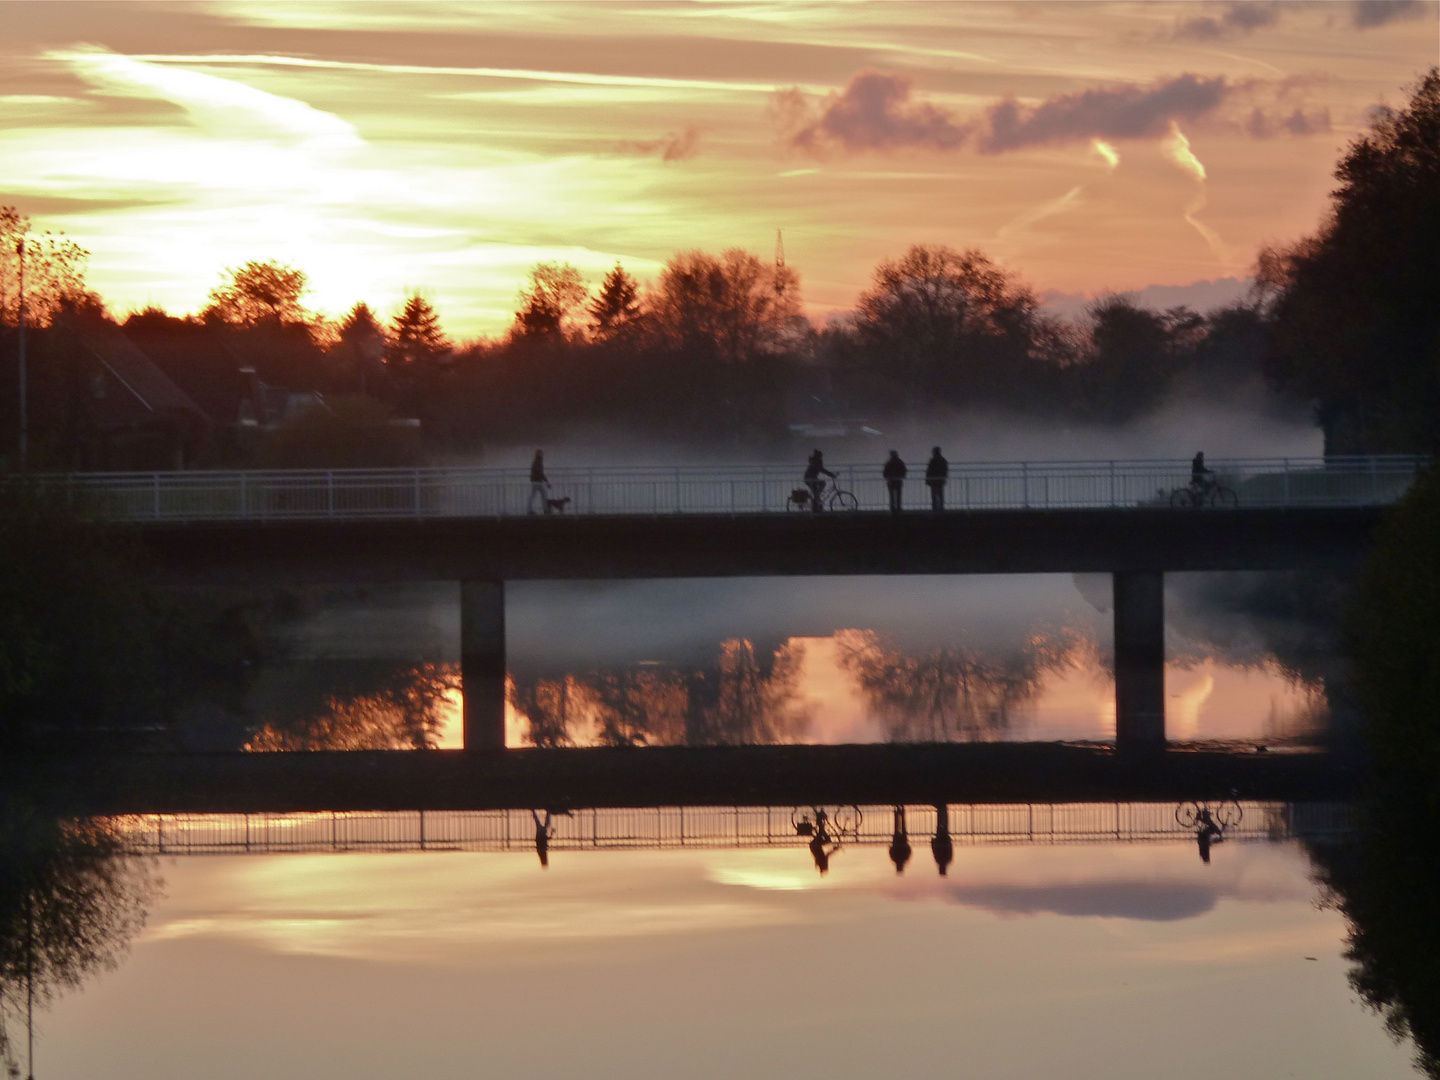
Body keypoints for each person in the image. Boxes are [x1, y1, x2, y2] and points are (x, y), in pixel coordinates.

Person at [925, 446, 948, 511]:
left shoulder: (932, 460)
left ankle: (934, 507)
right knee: (940, 493)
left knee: (934, 494)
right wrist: (944, 477)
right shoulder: (943, 460)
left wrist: (927, 479)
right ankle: (941, 507)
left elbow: (929, 470)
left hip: (933, 480)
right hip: (940, 479)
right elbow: (945, 469)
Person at [528, 449, 550, 514]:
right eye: (541, 453)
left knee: (534, 495)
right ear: (538, 455)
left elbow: (539, 472)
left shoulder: (536, 462)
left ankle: (530, 510)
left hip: (535, 481)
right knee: (543, 495)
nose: (542, 455)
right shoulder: (538, 462)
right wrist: (546, 481)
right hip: (537, 481)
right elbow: (540, 473)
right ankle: (545, 509)